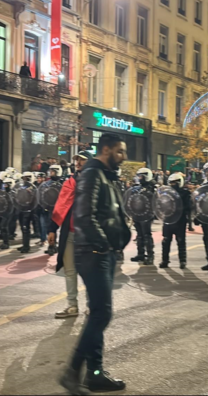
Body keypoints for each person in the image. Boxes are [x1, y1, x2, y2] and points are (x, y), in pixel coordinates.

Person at [59, 134, 130, 394]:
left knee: (97, 312)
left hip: (103, 252)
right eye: (120, 152)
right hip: (93, 253)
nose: (123, 157)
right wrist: (102, 245)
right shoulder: (92, 174)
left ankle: (95, 373)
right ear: (107, 150)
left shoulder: (107, 176)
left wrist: (119, 240)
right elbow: (84, 215)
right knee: (102, 314)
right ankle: (72, 371)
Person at [48, 151, 91, 319]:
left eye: (82, 160)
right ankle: (72, 305)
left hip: (87, 235)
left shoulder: (95, 182)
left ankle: (90, 305)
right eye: (77, 160)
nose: (78, 163)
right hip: (70, 233)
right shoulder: (69, 183)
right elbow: (60, 206)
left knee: (88, 272)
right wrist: (52, 228)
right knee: (70, 272)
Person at [159, 172, 191, 269]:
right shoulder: (166, 193)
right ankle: (165, 260)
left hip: (180, 220)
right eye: (171, 183)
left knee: (181, 241)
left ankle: (182, 260)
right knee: (166, 241)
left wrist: (179, 209)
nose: (173, 185)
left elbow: (189, 207)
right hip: (168, 219)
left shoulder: (185, 193)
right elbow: (161, 204)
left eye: (175, 183)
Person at [130, 167, 157, 265]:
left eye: (141, 176)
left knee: (146, 235)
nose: (140, 178)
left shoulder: (152, 187)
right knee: (139, 235)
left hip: (147, 214)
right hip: (137, 213)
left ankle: (150, 255)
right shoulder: (137, 187)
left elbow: (154, 200)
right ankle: (140, 254)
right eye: (139, 176)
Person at [40, 165, 63, 255]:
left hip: (57, 208)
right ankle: (52, 245)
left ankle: (52, 246)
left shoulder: (62, 183)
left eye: (53, 171)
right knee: (47, 227)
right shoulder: (47, 183)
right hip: (48, 207)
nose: (51, 173)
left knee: (52, 227)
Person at [16, 171, 37, 254]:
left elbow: (33, 200)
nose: (24, 179)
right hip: (21, 209)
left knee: (25, 228)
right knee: (22, 228)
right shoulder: (22, 187)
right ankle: (24, 244)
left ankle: (26, 246)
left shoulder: (32, 188)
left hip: (28, 210)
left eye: (26, 178)